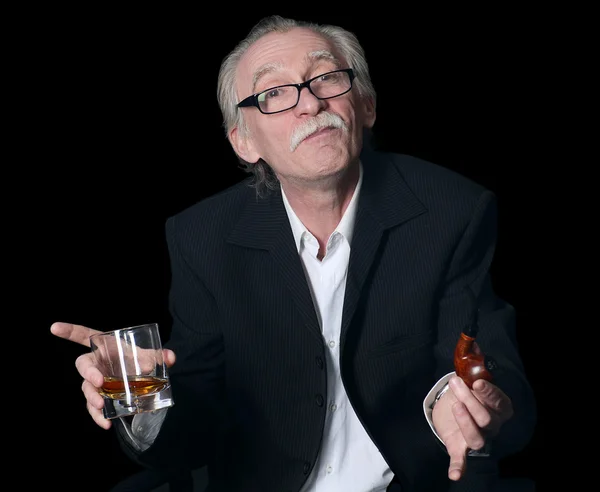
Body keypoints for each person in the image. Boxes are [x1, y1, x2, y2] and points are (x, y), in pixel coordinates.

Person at [51, 14, 536, 492]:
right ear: (243, 142)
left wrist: (478, 409)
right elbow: (194, 429)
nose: (309, 104)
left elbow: (489, 363)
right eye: (274, 93)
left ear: (365, 105)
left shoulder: (453, 210)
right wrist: (140, 398)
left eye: (325, 78)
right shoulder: (202, 235)